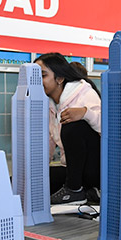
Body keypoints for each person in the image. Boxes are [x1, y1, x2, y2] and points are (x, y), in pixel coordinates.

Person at [35, 53, 102, 204]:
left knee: (72, 124)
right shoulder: (49, 104)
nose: (37, 81)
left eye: (43, 75)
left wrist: (85, 113)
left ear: (59, 78)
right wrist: (37, 173)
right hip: (72, 171)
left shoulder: (84, 93)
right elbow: (48, 143)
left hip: (96, 170)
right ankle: (86, 192)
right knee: (26, 184)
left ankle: (76, 190)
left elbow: (108, 130)